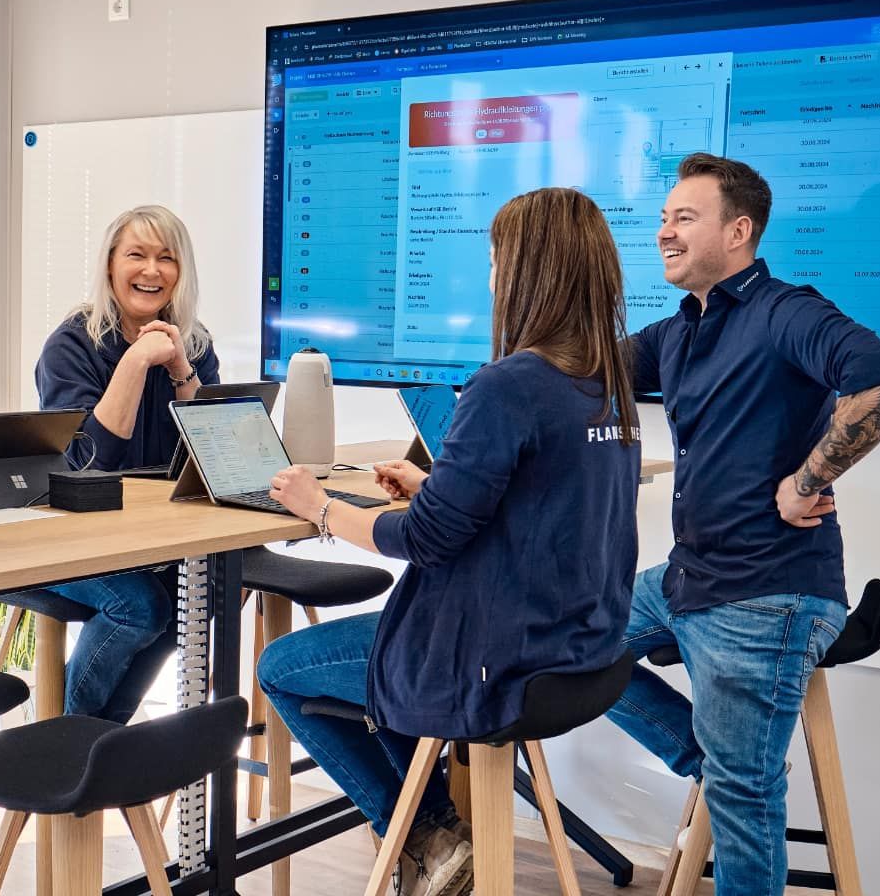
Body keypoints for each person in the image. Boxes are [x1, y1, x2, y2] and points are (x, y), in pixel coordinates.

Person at [258, 187, 642, 896]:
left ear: (528, 270)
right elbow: (540, 505)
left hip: (496, 665)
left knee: (281, 666)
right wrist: (436, 482)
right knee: (371, 662)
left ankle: (431, 833)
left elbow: (427, 541)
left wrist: (320, 509)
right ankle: (435, 836)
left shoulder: (507, 386)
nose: (492, 276)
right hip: (584, 651)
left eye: (497, 259)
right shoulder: (606, 384)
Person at [602, 154, 880, 896]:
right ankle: (716, 750)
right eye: (664, 216)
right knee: (570, 638)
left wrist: (809, 479)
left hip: (765, 594)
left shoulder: (785, 311)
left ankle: (734, 762)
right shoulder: (680, 331)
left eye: (685, 217)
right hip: (690, 578)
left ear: (738, 231)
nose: (664, 232)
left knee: (745, 801)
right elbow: (587, 369)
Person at [10, 204, 219, 723]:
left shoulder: (192, 344)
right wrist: (133, 363)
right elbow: (87, 466)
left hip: (142, 536)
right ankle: (66, 736)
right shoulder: (71, 345)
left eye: (166, 258)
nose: (152, 271)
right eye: (137, 255)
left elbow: (215, 454)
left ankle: (102, 740)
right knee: (140, 607)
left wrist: (180, 371)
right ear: (109, 265)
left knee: (197, 603)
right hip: (66, 532)